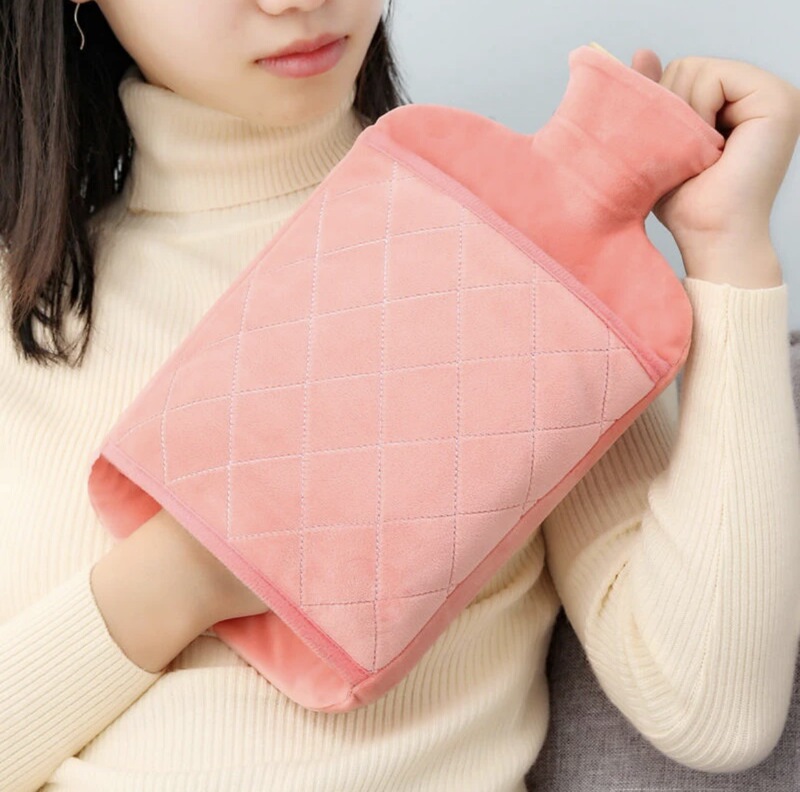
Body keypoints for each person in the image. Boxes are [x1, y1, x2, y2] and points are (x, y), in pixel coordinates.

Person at [0, 1, 798, 789]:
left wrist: (728, 253)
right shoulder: (18, 310)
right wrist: (186, 574)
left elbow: (711, 709)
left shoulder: (522, 256)